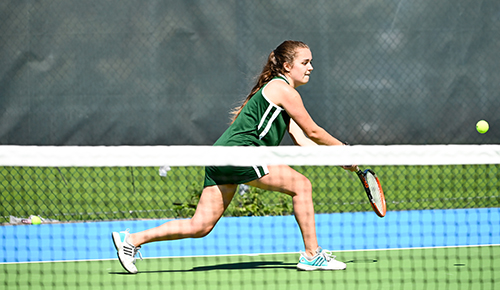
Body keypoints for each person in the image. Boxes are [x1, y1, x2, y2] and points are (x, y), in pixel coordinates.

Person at [112, 40, 357, 274]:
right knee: (301, 186)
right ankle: (312, 254)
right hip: (243, 154)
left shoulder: (277, 92)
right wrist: (344, 149)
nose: (310, 67)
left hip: (221, 156)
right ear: (287, 66)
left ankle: (132, 239)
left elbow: (303, 140)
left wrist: (337, 158)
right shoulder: (283, 90)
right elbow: (314, 130)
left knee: (200, 226)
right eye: (305, 62)